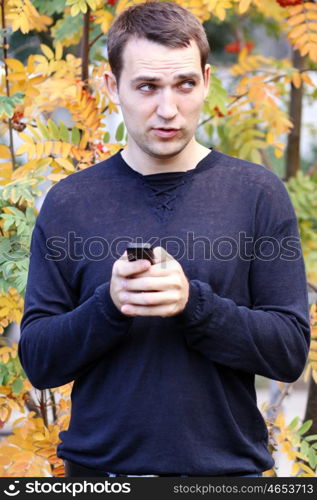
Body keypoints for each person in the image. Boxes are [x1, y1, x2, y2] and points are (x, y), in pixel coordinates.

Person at [18, 1, 311, 478]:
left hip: (225, 477)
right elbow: (39, 362)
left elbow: (289, 352)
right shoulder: (70, 202)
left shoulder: (257, 194)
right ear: (113, 87)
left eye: (185, 85)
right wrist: (109, 305)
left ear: (208, 80)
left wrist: (195, 305)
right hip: (99, 478)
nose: (168, 109)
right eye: (148, 87)